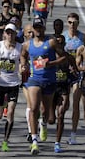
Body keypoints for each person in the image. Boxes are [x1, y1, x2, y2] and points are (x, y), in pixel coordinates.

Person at [20, 17, 65, 155]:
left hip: (49, 80)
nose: (38, 30)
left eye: (40, 27)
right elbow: (23, 55)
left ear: (44, 28)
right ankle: (34, 141)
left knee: (45, 111)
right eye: (36, 27)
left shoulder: (51, 42)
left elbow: (64, 57)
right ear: (33, 29)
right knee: (33, 108)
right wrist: (23, 64)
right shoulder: (28, 44)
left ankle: (43, 124)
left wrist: (51, 64)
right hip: (34, 80)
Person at [0, 23, 22, 152]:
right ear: (4, 33)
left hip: (13, 84)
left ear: (15, 34)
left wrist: (23, 68)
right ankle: (4, 103)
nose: (9, 35)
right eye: (7, 32)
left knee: (10, 112)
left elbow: (23, 62)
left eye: (12, 33)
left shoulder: (20, 48)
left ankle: (5, 140)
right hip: (0, 83)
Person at [62, 12, 85, 145]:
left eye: (75, 23)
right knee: (64, 105)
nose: (72, 25)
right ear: (67, 23)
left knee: (76, 103)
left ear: (78, 23)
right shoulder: (63, 37)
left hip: (77, 75)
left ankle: (73, 134)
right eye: (70, 22)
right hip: (64, 74)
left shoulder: (83, 37)